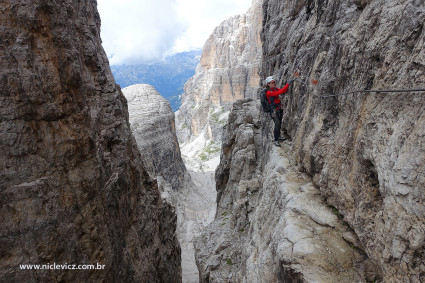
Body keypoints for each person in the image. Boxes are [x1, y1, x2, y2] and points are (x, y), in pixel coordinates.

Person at [264, 76, 292, 147]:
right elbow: (281, 91)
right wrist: (287, 84)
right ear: (268, 84)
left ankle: (279, 136)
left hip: (279, 108)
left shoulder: (275, 89)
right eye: (272, 82)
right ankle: (276, 140)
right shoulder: (268, 92)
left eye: (274, 82)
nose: (274, 83)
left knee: (279, 122)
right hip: (273, 110)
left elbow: (283, 91)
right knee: (277, 123)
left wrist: (287, 85)